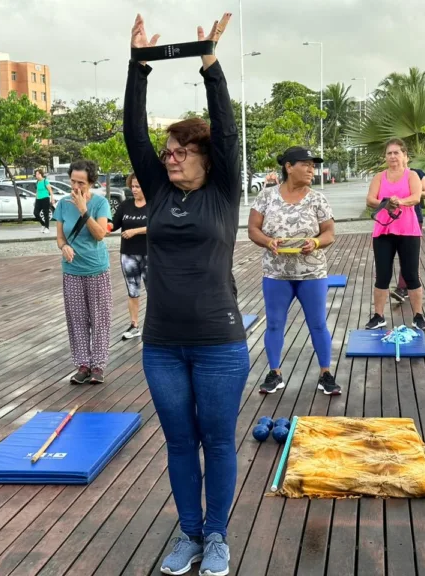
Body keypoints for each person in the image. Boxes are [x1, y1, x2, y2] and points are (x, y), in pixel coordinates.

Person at [123, 12, 249, 576]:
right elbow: (132, 131)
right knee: (179, 444)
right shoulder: (156, 190)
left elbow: (226, 130)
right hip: (162, 344)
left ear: (203, 155)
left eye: (179, 149)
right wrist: (138, 67)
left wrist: (210, 65)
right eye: (167, 150)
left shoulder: (223, 191)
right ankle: (189, 534)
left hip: (220, 344)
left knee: (218, 443)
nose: (169, 155)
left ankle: (216, 535)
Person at [248, 147, 339, 396]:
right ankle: (274, 373)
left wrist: (317, 242)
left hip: (312, 273)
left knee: (318, 324)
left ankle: (325, 374)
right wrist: (267, 241)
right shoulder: (266, 197)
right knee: (275, 323)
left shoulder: (318, 198)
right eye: (306, 164)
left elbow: (329, 232)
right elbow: (253, 229)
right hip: (276, 273)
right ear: (289, 167)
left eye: (313, 165)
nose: (312, 169)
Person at [54, 159, 113, 385]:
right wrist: (64, 246)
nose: (76, 187)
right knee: (76, 319)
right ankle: (83, 364)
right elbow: (60, 236)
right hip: (72, 270)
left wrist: (83, 210)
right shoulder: (61, 205)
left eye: (81, 182)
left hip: (96, 268)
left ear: (91, 182)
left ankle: (98, 365)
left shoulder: (100, 203)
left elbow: (100, 234)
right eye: (73, 181)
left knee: (99, 319)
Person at [365, 138, 425, 331]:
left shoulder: (412, 175)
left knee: (411, 274)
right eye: (389, 153)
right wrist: (385, 202)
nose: (392, 156)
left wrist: (398, 202)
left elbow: (416, 197)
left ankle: (418, 315)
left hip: (408, 230)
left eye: (396, 153)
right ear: (385, 157)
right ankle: (379, 315)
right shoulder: (379, 177)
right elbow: (370, 199)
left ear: (405, 156)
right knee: (382, 275)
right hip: (383, 231)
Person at [390, 152, 425, 303]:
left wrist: (413, 191)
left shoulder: (416, 174)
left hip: (413, 219)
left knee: (408, 255)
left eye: (400, 154)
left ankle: (402, 288)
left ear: (406, 157)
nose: (397, 158)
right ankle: (408, 286)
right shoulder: (389, 176)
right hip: (392, 220)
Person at [111, 172, 148, 340]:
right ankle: (134, 325)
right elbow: (113, 225)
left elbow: (159, 226)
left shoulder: (154, 205)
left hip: (150, 255)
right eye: (132, 186)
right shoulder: (125, 205)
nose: (134, 189)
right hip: (128, 255)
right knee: (133, 291)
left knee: (154, 291)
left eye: (138, 186)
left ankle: (155, 325)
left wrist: (136, 231)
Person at [34, 169, 55, 234]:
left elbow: (50, 191)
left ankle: (47, 228)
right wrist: (36, 199)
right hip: (38, 199)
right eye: (36, 174)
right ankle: (43, 224)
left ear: (41, 174)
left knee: (46, 213)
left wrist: (52, 199)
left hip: (45, 198)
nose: (36, 175)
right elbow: (37, 191)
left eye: (37, 174)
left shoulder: (45, 181)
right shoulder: (37, 182)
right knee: (35, 213)